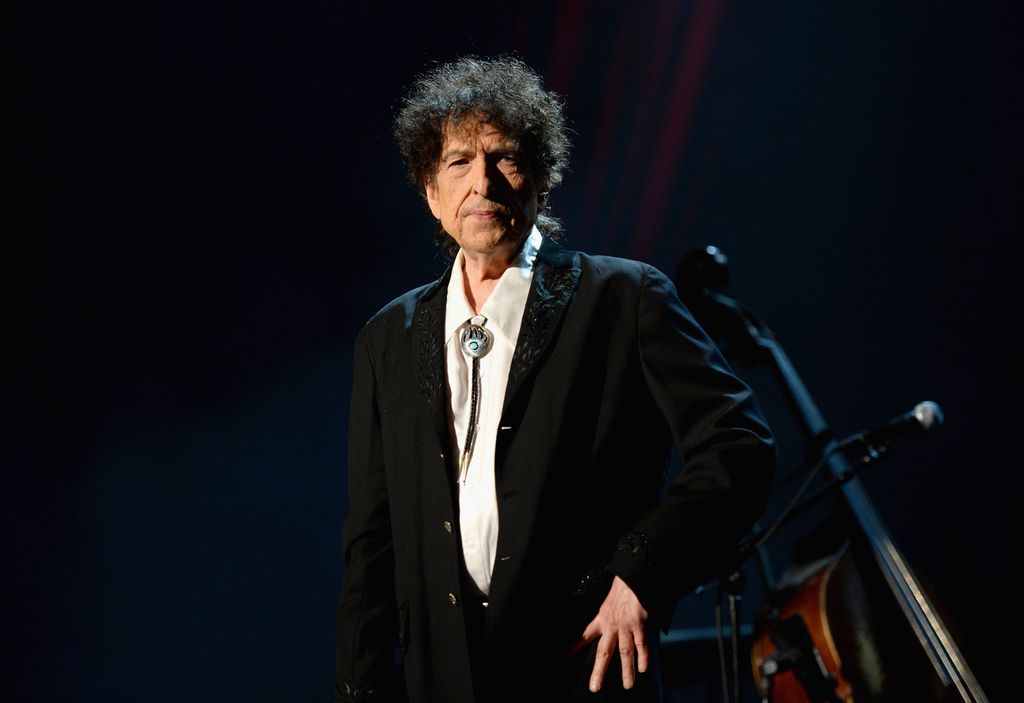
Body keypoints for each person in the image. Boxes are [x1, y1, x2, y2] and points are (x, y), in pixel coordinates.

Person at [335, 55, 776, 703]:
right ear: (430, 192)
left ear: (542, 179)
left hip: (585, 673)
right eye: (458, 161)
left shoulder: (625, 296)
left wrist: (642, 575)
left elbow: (739, 447)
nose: (481, 182)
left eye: (504, 158)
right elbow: (372, 547)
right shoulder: (387, 338)